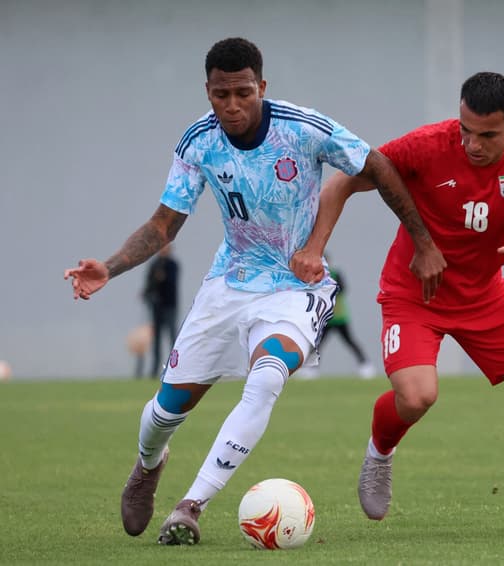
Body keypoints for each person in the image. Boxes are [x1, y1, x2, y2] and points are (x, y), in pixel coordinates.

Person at [64, 37, 444, 546]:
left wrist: (422, 241)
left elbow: (374, 164)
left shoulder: (304, 128)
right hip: (229, 284)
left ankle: (190, 505)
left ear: (261, 86)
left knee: (267, 378)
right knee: (165, 410)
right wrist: (109, 268)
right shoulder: (198, 142)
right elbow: (163, 226)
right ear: (208, 92)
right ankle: (149, 465)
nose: (233, 105)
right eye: (221, 94)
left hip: (295, 287)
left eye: (243, 92)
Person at [294, 72, 504, 531]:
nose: (472, 144)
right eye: (465, 130)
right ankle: (380, 452)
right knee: (417, 397)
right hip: (413, 292)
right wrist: (314, 249)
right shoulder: (426, 145)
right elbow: (340, 183)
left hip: (484, 296)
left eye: (487, 135)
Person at [302, 260, 376, 379]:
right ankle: (311, 369)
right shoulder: (314, 276)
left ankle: (365, 365)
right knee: (318, 345)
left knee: (350, 341)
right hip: (325, 317)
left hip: (339, 316)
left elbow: (342, 289)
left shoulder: (335, 274)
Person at [143, 244, 180, 378]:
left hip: (170, 306)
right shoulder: (154, 265)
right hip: (157, 308)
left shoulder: (173, 265)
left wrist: (163, 278)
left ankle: (174, 369)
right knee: (156, 340)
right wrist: (146, 294)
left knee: (172, 339)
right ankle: (154, 369)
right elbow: (149, 283)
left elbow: (171, 283)